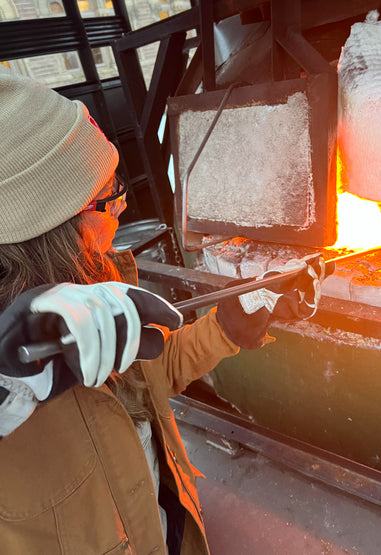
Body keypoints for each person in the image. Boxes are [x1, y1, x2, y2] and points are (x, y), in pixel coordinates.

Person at [0, 66, 326, 554]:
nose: (122, 206)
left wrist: (226, 327)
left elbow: (150, 378)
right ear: (50, 225)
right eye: (105, 197)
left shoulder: (97, 280)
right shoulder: (15, 373)